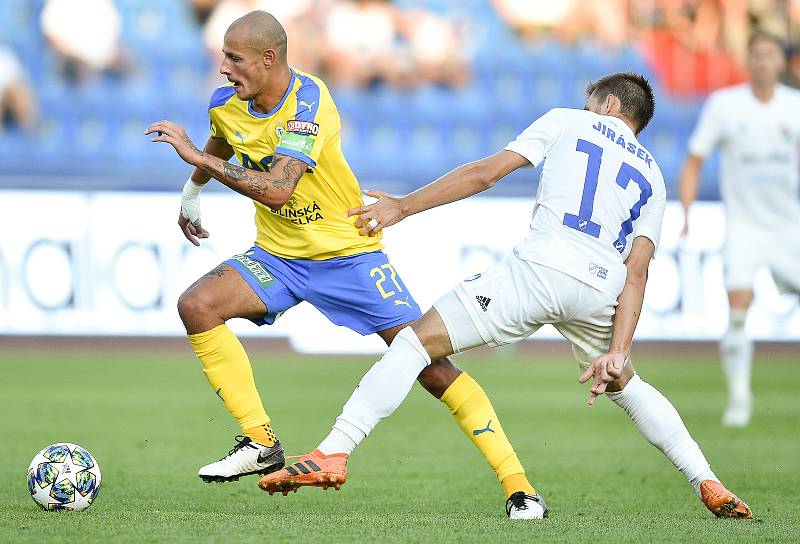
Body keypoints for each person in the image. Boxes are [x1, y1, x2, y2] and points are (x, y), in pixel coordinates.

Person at [259, 72, 753, 520]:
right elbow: (638, 272)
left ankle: (335, 450)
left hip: (540, 269)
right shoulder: (653, 177)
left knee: (413, 345)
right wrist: (617, 352)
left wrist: (403, 207)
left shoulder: (567, 121)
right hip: (600, 288)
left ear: (605, 105)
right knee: (629, 386)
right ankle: (706, 479)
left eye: (590, 104)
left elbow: (486, 174)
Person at [145, 10, 543, 519]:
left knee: (429, 366)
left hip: (348, 255)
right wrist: (192, 192)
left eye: (234, 58)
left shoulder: (310, 102)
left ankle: (518, 486)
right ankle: (259, 442)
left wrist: (196, 161)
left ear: (269, 59)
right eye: (224, 56)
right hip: (279, 256)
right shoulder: (225, 101)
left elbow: (277, 189)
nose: (223, 67)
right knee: (197, 306)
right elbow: (222, 139)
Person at [678, 31, 800, 427]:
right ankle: (740, 398)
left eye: (770, 55)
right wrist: (686, 215)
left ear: (781, 62)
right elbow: (695, 159)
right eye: (757, 55)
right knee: (737, 312)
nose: (763, 62)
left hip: (788, 227)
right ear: (747, 61)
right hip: (744, 228)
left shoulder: (794, 107)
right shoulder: (725, 106)